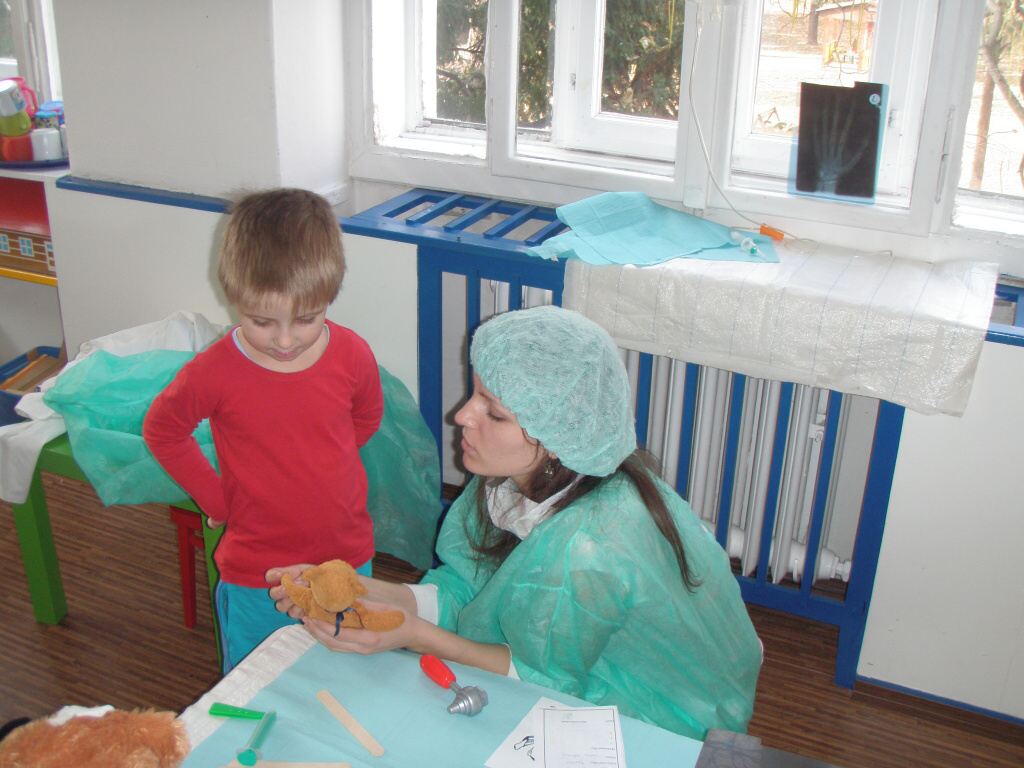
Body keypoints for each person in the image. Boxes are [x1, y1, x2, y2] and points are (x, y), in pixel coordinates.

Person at [268, 305, 761, 740]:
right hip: (579, 660)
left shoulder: (588, 547)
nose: (463, 415)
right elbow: (469, 586)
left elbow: (541, 678)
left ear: (555, 438)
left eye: (495, 413)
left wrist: (411, 633)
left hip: (659, 716)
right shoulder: (520, 476)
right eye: (475, 395)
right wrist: (364, 591)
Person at [144, 188, 383, 672]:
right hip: (259, 572)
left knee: (348, 671)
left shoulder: (353, 354)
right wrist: (217, 501)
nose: (286, 340)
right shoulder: (214, 372)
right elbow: (163, 430)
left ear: (329, 297)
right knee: (256, 682)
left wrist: (322, 462)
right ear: (233, 297)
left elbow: (366, 417)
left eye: (307, 318)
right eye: (262, 321)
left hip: (344, 560)